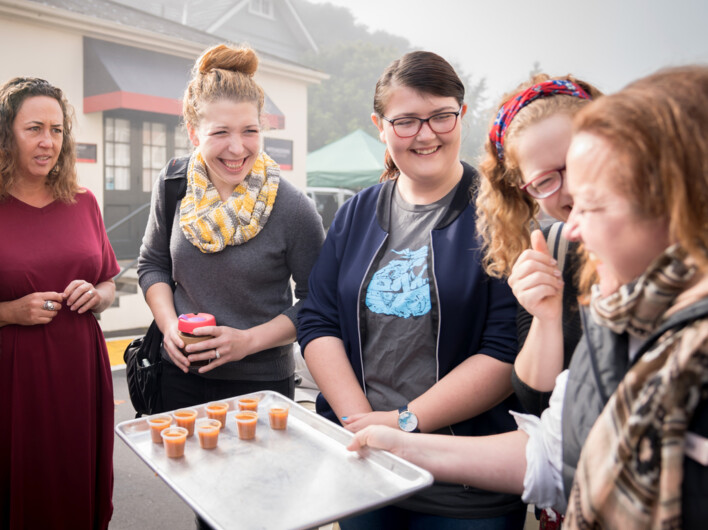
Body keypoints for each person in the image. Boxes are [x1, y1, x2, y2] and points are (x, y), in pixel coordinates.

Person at [348, 65, 708, 529]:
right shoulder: (612, 304)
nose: (571, 217)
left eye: (594, 196)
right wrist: (398, 441)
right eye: (545, 182)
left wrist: (407, 425)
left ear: (669, 187)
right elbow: (554, 446)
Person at [296, 50, 525, 528]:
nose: (425, 134)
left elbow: (506, 349)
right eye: (406, 122)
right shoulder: (356, 213)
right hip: (364, 472)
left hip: (465, 485)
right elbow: (317, 318)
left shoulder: (502, 215)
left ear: (461, 115)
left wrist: (404, 422)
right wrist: (361, 423)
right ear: (380, 126)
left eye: (441, 115)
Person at [0, 78, 118, 530]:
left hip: (82, 370)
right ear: (3, 133)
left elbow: (107, 283)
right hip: (14, 375)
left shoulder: (84, 201)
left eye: (56, 129)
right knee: (20, 485)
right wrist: (10, 312)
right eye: (34, 128)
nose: (47, 141)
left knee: (77, 477)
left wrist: (97, 297)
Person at [137, 44, 324, 411]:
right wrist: (170, 325)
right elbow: (152, 264)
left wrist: (248, 341)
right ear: (194, 133)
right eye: (220, 132)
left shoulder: (293, 208)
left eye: (250, 131)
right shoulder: (174, 183)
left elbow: (318, 302)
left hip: (260, 386)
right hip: (178, 374)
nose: (237, 148)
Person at [475, 75, 602, 417]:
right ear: (523, 190)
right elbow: (539, 405)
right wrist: (546, 318)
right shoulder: (553, 252)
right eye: (545, 180)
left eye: (578, 161)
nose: (573, 188)